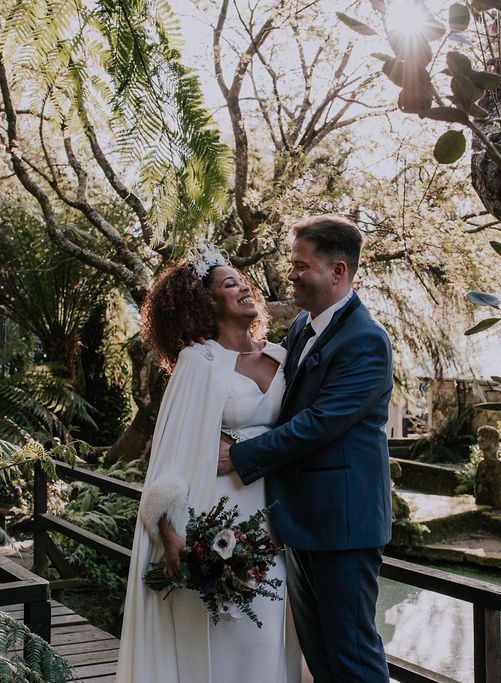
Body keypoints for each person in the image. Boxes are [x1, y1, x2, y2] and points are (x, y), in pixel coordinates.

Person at [219, 215, 393, 682]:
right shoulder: (302, 326)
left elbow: (317, 424)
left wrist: (236, 455)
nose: (291, 274)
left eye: (301, 266)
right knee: (318, 653)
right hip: (299, 520)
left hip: (344, 525)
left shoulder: (366, 342)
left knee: (353, 655)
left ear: (338, 272)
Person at [117, 243, 301, 683]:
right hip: (217, 520)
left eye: (241, 280)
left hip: (275, 519)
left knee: (269, 635)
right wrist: (170, 535)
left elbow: (307, 430)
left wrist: (246, 445)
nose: (243, 288)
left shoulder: (285, 357)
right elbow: (171, 458)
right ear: (207, 301)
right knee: (225, 639)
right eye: (228, 283)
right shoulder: (198, 361)